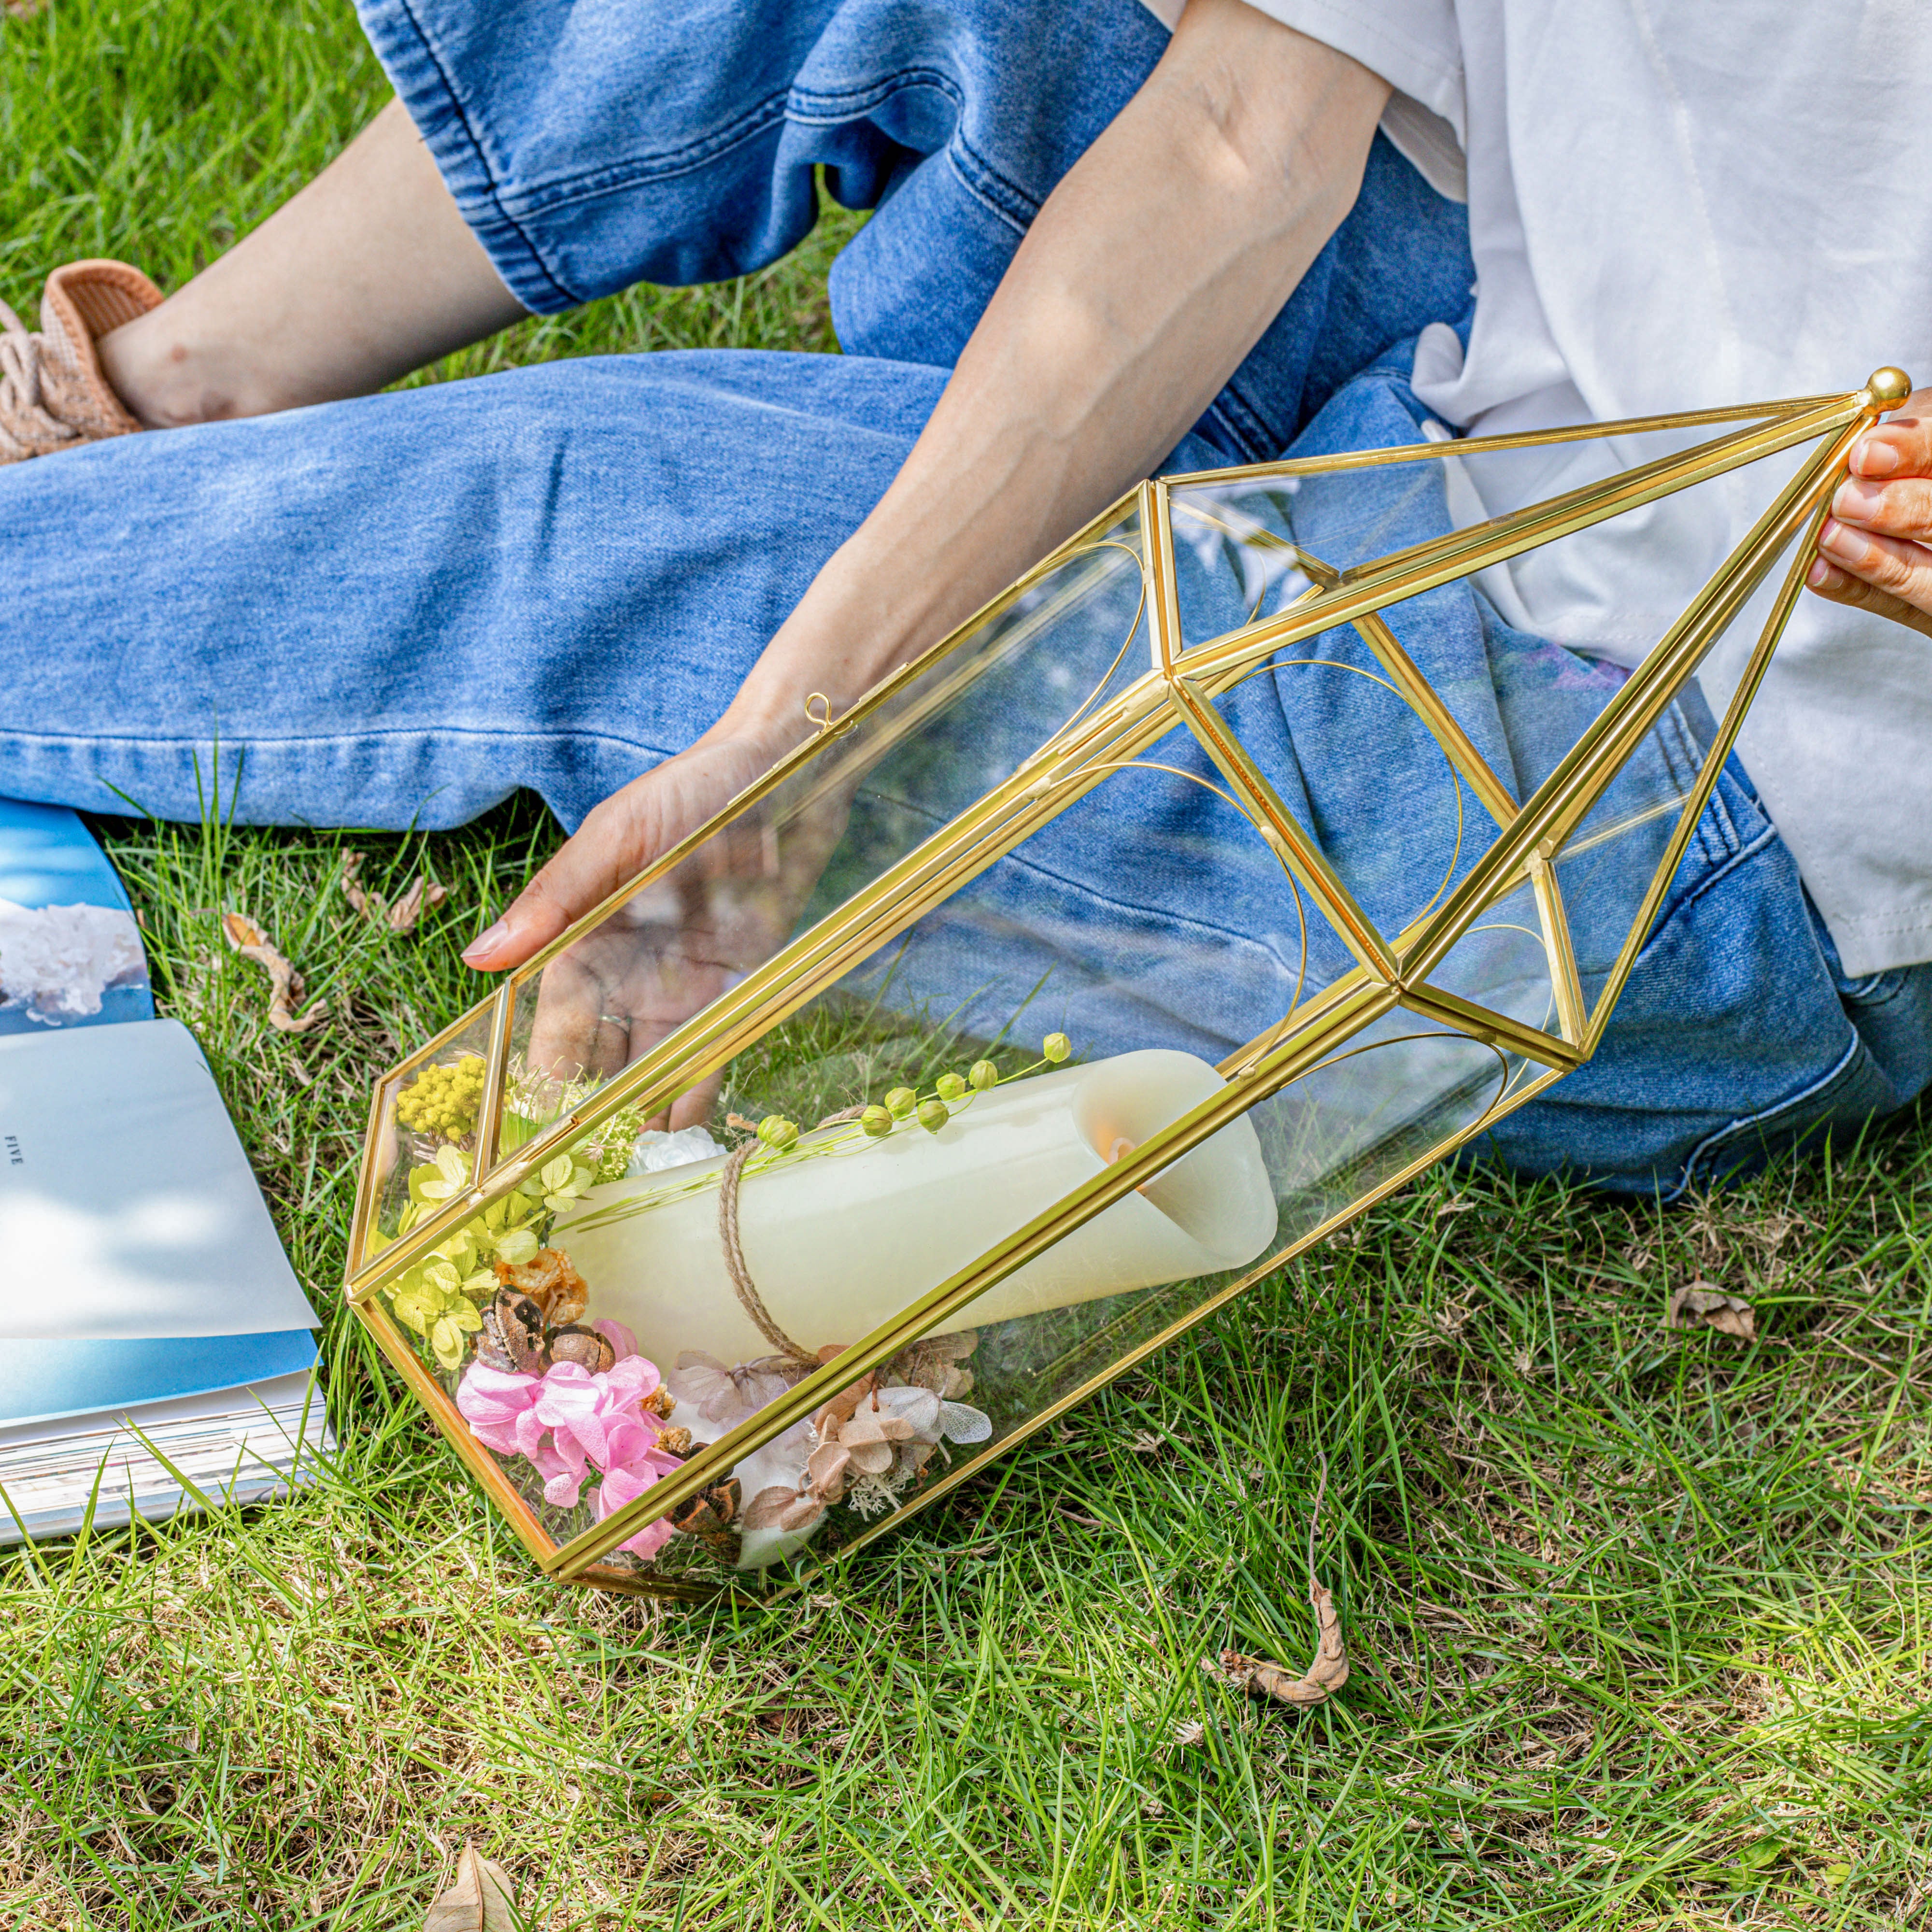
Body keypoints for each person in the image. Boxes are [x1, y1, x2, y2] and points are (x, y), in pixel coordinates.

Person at [0, 0, 1927, 1196]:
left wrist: (794, 736)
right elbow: (1248, 129)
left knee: (652, 518)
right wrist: (815, 712)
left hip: (1699, 801)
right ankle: (153, 405)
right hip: (1518, 392)